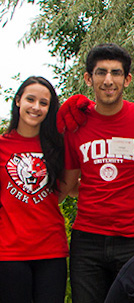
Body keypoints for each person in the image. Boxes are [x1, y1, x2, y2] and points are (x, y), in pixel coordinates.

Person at [61, 43, 134, 303]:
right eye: (101, 72)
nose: (109, 80)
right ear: (88, 78)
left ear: (127, 79)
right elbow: (67, 186)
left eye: (116, 73)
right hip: (88, 240)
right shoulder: (76, 125)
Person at [0, 76, 68, 302]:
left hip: (51, 250)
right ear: (18, 101)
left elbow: (67, 188)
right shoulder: (2, 146)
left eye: (44, 103)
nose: (36, 107)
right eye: (31, 99)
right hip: (9, 252)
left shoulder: (59, 146)